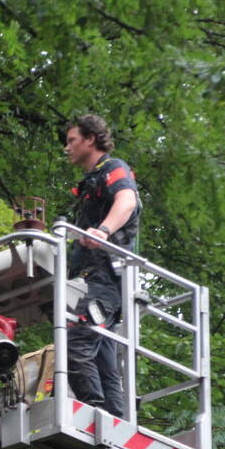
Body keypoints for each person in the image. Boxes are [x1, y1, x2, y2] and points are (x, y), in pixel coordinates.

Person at [62, 114, 141, 417]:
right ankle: (115, 421)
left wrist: (103, 231)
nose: (67, 148)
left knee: (76, 341)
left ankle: (94, 414)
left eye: (72, 141)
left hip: (105, 278)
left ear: (90, 139)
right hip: (94, 280)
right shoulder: (90, 181)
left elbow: (127, 200)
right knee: (104, 360)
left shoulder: (113, 168)